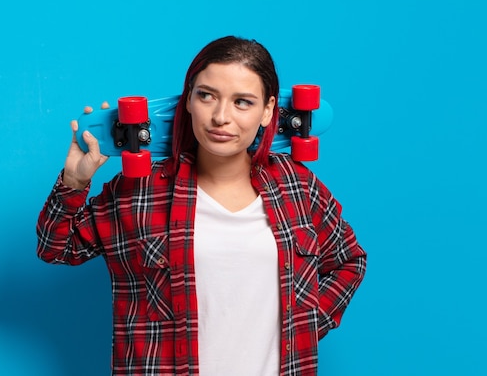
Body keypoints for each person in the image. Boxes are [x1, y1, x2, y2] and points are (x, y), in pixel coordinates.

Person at [37, 35, 366, 376]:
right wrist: (74, 182)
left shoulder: (297, 187)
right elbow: (56, 248)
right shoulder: (139, 192)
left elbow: (349, 261)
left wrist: (303, 325)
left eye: (243, 102)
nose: (221, 117)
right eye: (207, 96)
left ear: (268, 110)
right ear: (189, 100)